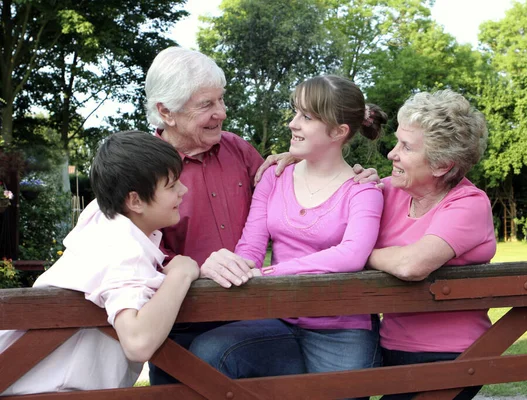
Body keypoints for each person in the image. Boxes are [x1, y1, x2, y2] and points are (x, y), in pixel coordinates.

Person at [144, 47, 380, 385]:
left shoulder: (240, 151)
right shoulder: (141, 168)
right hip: (182, 318)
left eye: (221, 100)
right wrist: (193, 268)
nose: (222, 113)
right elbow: (133, 248)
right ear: (166, 112)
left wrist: (301, 155)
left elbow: (292, 192)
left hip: (251, 311)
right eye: (207, 105)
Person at [0, 131, 197, 395]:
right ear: (135, 201)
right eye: (172, 186)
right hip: (53, 390)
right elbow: (138, 342)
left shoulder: (103, 216)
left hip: (21, 378)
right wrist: (181, 273)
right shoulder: (124, 248)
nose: (183, 191)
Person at [367, 90, 496, 400]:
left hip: (450, 356)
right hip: (388, 348)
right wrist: (296, 161)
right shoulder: (389, 191)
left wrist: (360, 254)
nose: (391, 154)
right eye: (398, 141)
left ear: (442, 166)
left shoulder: (469, 204)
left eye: (406, 147)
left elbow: (412, 264)